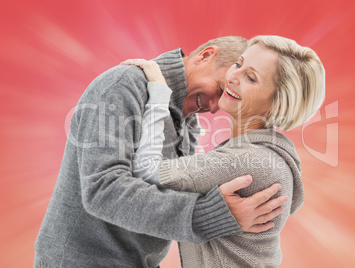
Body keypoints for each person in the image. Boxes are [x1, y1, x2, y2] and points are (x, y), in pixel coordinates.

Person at [33, 36, 288, 268]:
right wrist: (210, 215)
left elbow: (166, 185)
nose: (213, 108)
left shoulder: (189, 118)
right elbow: (104, 190)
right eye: (220, 90)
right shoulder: (123, 86)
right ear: (205, 55)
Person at [122, 35, 325, 267]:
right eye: (238, 64)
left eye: (250, 77)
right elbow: (191, 177)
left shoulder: (248, 160)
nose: (232, 76)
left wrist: (159, 94)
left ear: (278, 104)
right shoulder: (266, 153)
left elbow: (146, 172)